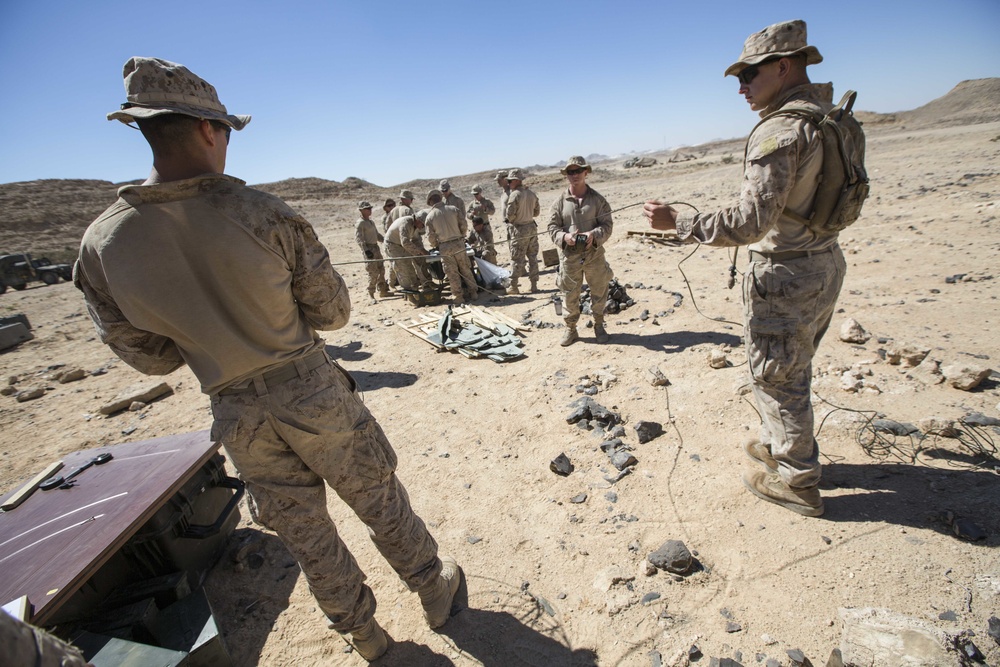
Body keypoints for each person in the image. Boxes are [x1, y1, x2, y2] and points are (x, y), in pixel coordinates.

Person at [74, 57, 461, 661]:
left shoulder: (100, 245)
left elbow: (149, 360)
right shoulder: (263, 213)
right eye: (226, 130)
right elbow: (333, 313)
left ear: (143, 130)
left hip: (233, 409)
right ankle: (435, 593)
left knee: (306, 534)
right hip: (309, 388)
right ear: (208, 129)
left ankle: (366, 637)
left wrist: (205, 328)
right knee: (377, 498)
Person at [643, 20, 857, 517]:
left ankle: (798, 480)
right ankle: (779, 443)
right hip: (823, 261)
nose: (741, 87)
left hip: (785, 275)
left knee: (778, 376)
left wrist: (679, 222)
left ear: (783, 66)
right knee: (789, 366)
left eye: (749, 74)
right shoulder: (827, 118)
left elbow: (749, 222)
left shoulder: (782, 128)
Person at [547, 156, 614, 346]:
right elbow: (552, 228)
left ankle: (599, 326)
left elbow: (607, 225)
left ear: (586, 172)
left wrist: (594, 234)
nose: (574, 175)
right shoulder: (559, 203)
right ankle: (571, 329)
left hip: (594, 255)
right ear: (566, 175)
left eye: (578, 171)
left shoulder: (598, 200)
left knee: (599, 290)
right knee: (569, 294)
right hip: (570, 257)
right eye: (570, 172)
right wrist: (564, 237)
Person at [425, 190, 478, 304]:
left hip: (444, 246)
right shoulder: (453, 209)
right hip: (459, 243)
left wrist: (436, 245)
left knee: (452, 273)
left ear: (430, 201)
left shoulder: (430, 216)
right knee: (465, 268)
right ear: (440, 198)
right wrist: (461, 236)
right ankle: (473, 292)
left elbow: (430, 236)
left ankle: (458, 297)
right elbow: (463, 224)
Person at [503, 168, 540, 294]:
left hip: (520, 229)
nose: (508, 183)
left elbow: (510, 215)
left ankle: (513, 286)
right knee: (533, 257)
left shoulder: (515, 195)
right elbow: (537, 212)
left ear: (516, 181)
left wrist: (514, 219)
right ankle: (534, 285)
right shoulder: (531, 194)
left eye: (510, 181)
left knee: (516, 258)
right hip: (531, 227)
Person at [385, 210, 432, 292]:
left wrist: (421, 252)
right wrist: (420, 251)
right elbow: (405, 242)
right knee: (404, 268)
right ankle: (409, 292)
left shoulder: (414, 225)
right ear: (417, 220)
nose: (423, 227)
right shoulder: (406, 223)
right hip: (392, 245)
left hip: (401, 245)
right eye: (423, 224)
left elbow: (415, 240)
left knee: (412, 268)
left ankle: (415, 288)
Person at [354, 201, 390, 301]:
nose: (370, 210)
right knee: (373, 272)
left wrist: (386, 240)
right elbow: (359, 238)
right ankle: (371, 293)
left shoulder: (370, 221)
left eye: (370, 208)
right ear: (361, 210)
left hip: (375, 247)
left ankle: (383, 290)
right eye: (367, 209)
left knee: (381, 269)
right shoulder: (360, 223)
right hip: (369, 249)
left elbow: (377, 235)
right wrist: (366, 250)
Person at [466, 185, 497, 264]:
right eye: (474, 194)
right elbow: (467, 214)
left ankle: (491, 258)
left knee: (488, 244)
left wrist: (486, 209)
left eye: (477, 194)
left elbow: (493, 211)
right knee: (473, 242)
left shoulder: (486, 201)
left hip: (485, 225)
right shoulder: (472, 204)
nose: (475, 196)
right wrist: (471, 215)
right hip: (476, 227)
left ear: (480, 193)